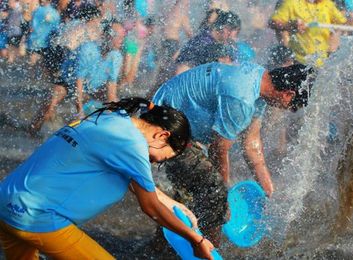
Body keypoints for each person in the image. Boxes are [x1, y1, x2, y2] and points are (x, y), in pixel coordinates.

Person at [0, 97, 215, 259]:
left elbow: (133, 178)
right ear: (162, 136)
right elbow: (150, 207)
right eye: (162, 158)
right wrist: (197, 239)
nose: (156, 163)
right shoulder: (133, 143)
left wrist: (171, 202)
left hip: (7, 202)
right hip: (36, 216)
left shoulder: (110, 119)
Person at [153, 62, 314, 243]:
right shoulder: (242, 98)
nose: (288, 110)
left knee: (194, 192)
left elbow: (251, 144)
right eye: (293, 107)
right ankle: (208, 249)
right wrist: (224, 193)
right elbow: (218, 149)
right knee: (215, 196)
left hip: (174, 123)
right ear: (288, 94)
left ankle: (164, 245)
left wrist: (268, 190)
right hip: (163, 128)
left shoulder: (258, 80)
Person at [269, 0, 352, 67]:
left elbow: (344, 23)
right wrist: (291, 24)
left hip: (322, 63)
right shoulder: (291, 2)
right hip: (297, 61)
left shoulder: (327, 4)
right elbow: (273, 23)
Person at [175, 10, 241, 75]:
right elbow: (182, 68)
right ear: (222, 27)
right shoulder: (202, 42)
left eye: (237, 33)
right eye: (229, 30)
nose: (232, 37)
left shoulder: (228, 43)